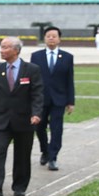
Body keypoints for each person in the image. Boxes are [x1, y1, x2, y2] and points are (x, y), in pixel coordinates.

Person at [0, 36, 44, 196]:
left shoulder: (31, 69)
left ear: (16, 50)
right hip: (2, 119)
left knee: (22, 154)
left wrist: (36, 114)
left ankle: (20, 186)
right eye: (1, 47)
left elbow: (37, 94)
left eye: (5, 47)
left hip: (24, 120)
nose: (1, 50)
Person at [30, 26, 75, 170]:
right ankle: (45, 150)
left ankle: (53, 156)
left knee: (57, 129)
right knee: (39, 127)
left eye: (54, 36)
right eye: (48, 36)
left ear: (59, 39)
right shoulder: (36, 56)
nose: (51, 38)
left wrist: (70, 101)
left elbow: (69, 80)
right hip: (40, 99)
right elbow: (32, 78)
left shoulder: (67, 57)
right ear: (44, 38)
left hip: (59, 99)